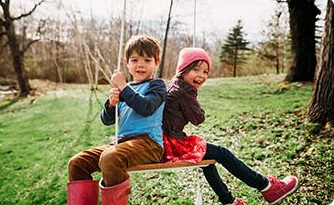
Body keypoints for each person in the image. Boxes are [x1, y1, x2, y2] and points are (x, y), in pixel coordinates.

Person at [162, 47, 299, 205]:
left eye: (205, 72)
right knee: (223, 153)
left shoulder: (175, 85)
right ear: (183, 69)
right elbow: (198, 118)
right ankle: (267, 187)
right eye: (195, 69)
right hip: (173, 143)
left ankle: (229, 201)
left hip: (167, 140)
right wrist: (196, 105)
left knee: (208, 159)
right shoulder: (185, 92)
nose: (201, 75)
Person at [67, 35, 166, 205]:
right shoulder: (124, 89)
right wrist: (111, 105)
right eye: (134, 60)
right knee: (77, 163)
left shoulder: (157, 85)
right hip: (122, 144)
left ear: (156, 62)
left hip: (149, 144)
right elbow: (106, 120)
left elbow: (146, 107)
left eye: (147, 60)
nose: (140, 64)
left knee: (110, 158)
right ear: (127, 62)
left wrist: (124, 87)